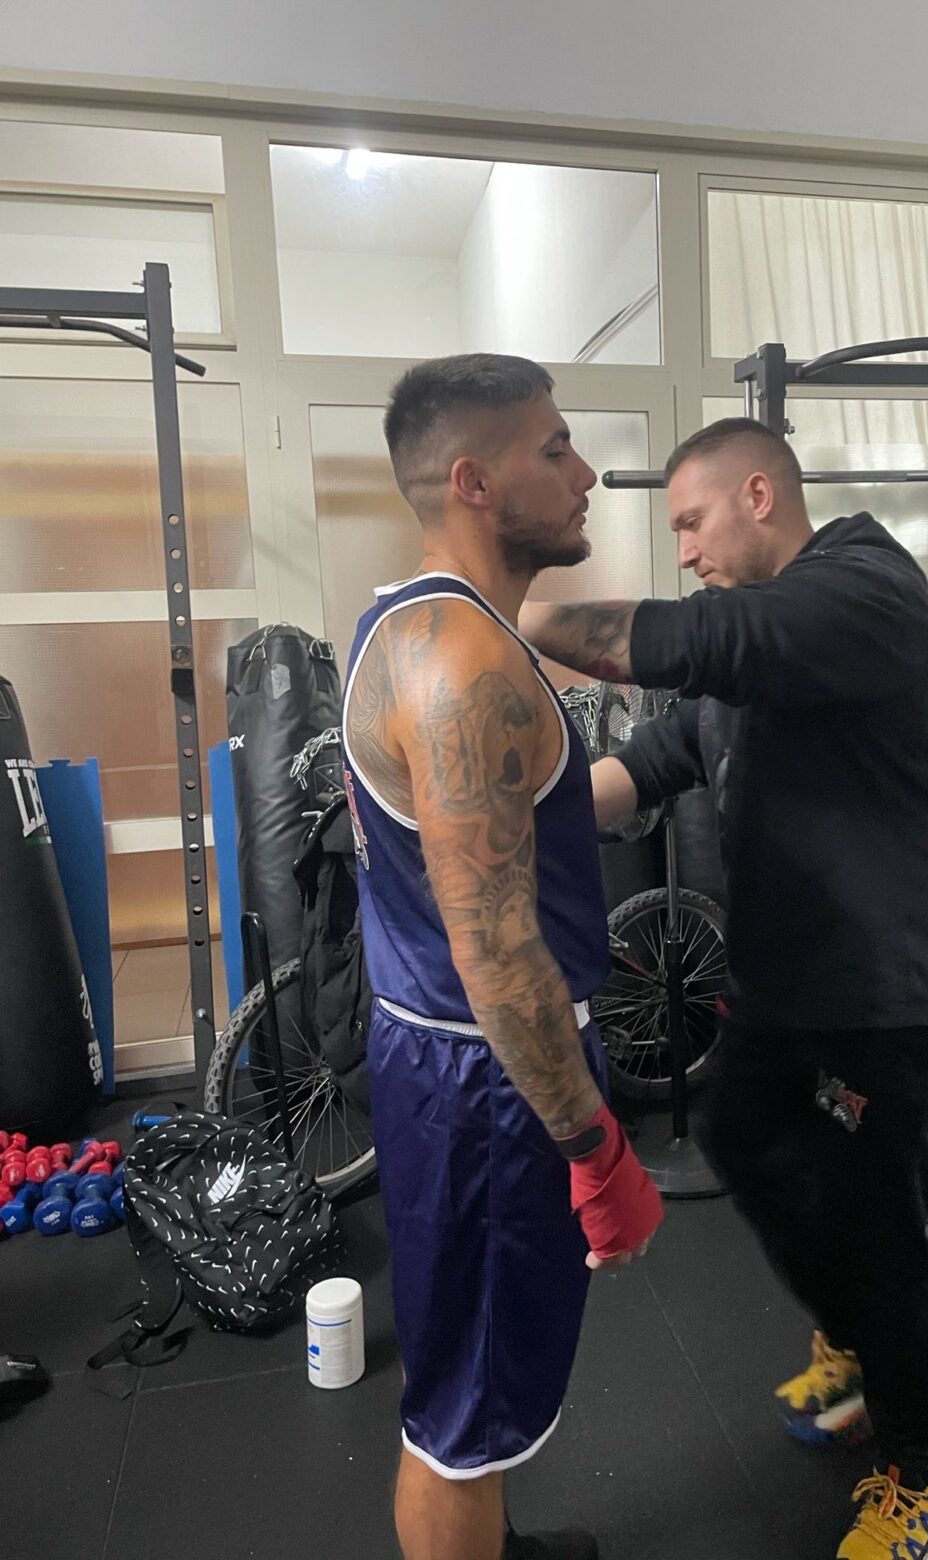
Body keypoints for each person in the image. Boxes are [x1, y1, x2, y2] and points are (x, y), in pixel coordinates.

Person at [519, 418, 928, 1560]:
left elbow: (706, 639)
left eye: (692, 523)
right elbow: (646, 763)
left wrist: (505, 615)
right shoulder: (745, 658)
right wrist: (504, 816)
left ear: (759, 495)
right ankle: (858, 1334)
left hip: (900, 995)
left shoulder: (866, 591)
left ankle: (922, 1474)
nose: (684, 549)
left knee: (877, 1229)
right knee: (743, 1133)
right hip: (797, 988)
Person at [342, 354, 663, 1560]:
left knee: (474, 1372)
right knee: (461, 1424)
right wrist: (594, 1147)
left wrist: (671, 750)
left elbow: (529, 816)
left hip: (452, 1063)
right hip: (487, 1083)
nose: (587, 475)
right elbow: (498, 951)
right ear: (475, 482)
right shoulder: (462, 667)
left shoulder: (427, 620)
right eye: (556, 449)